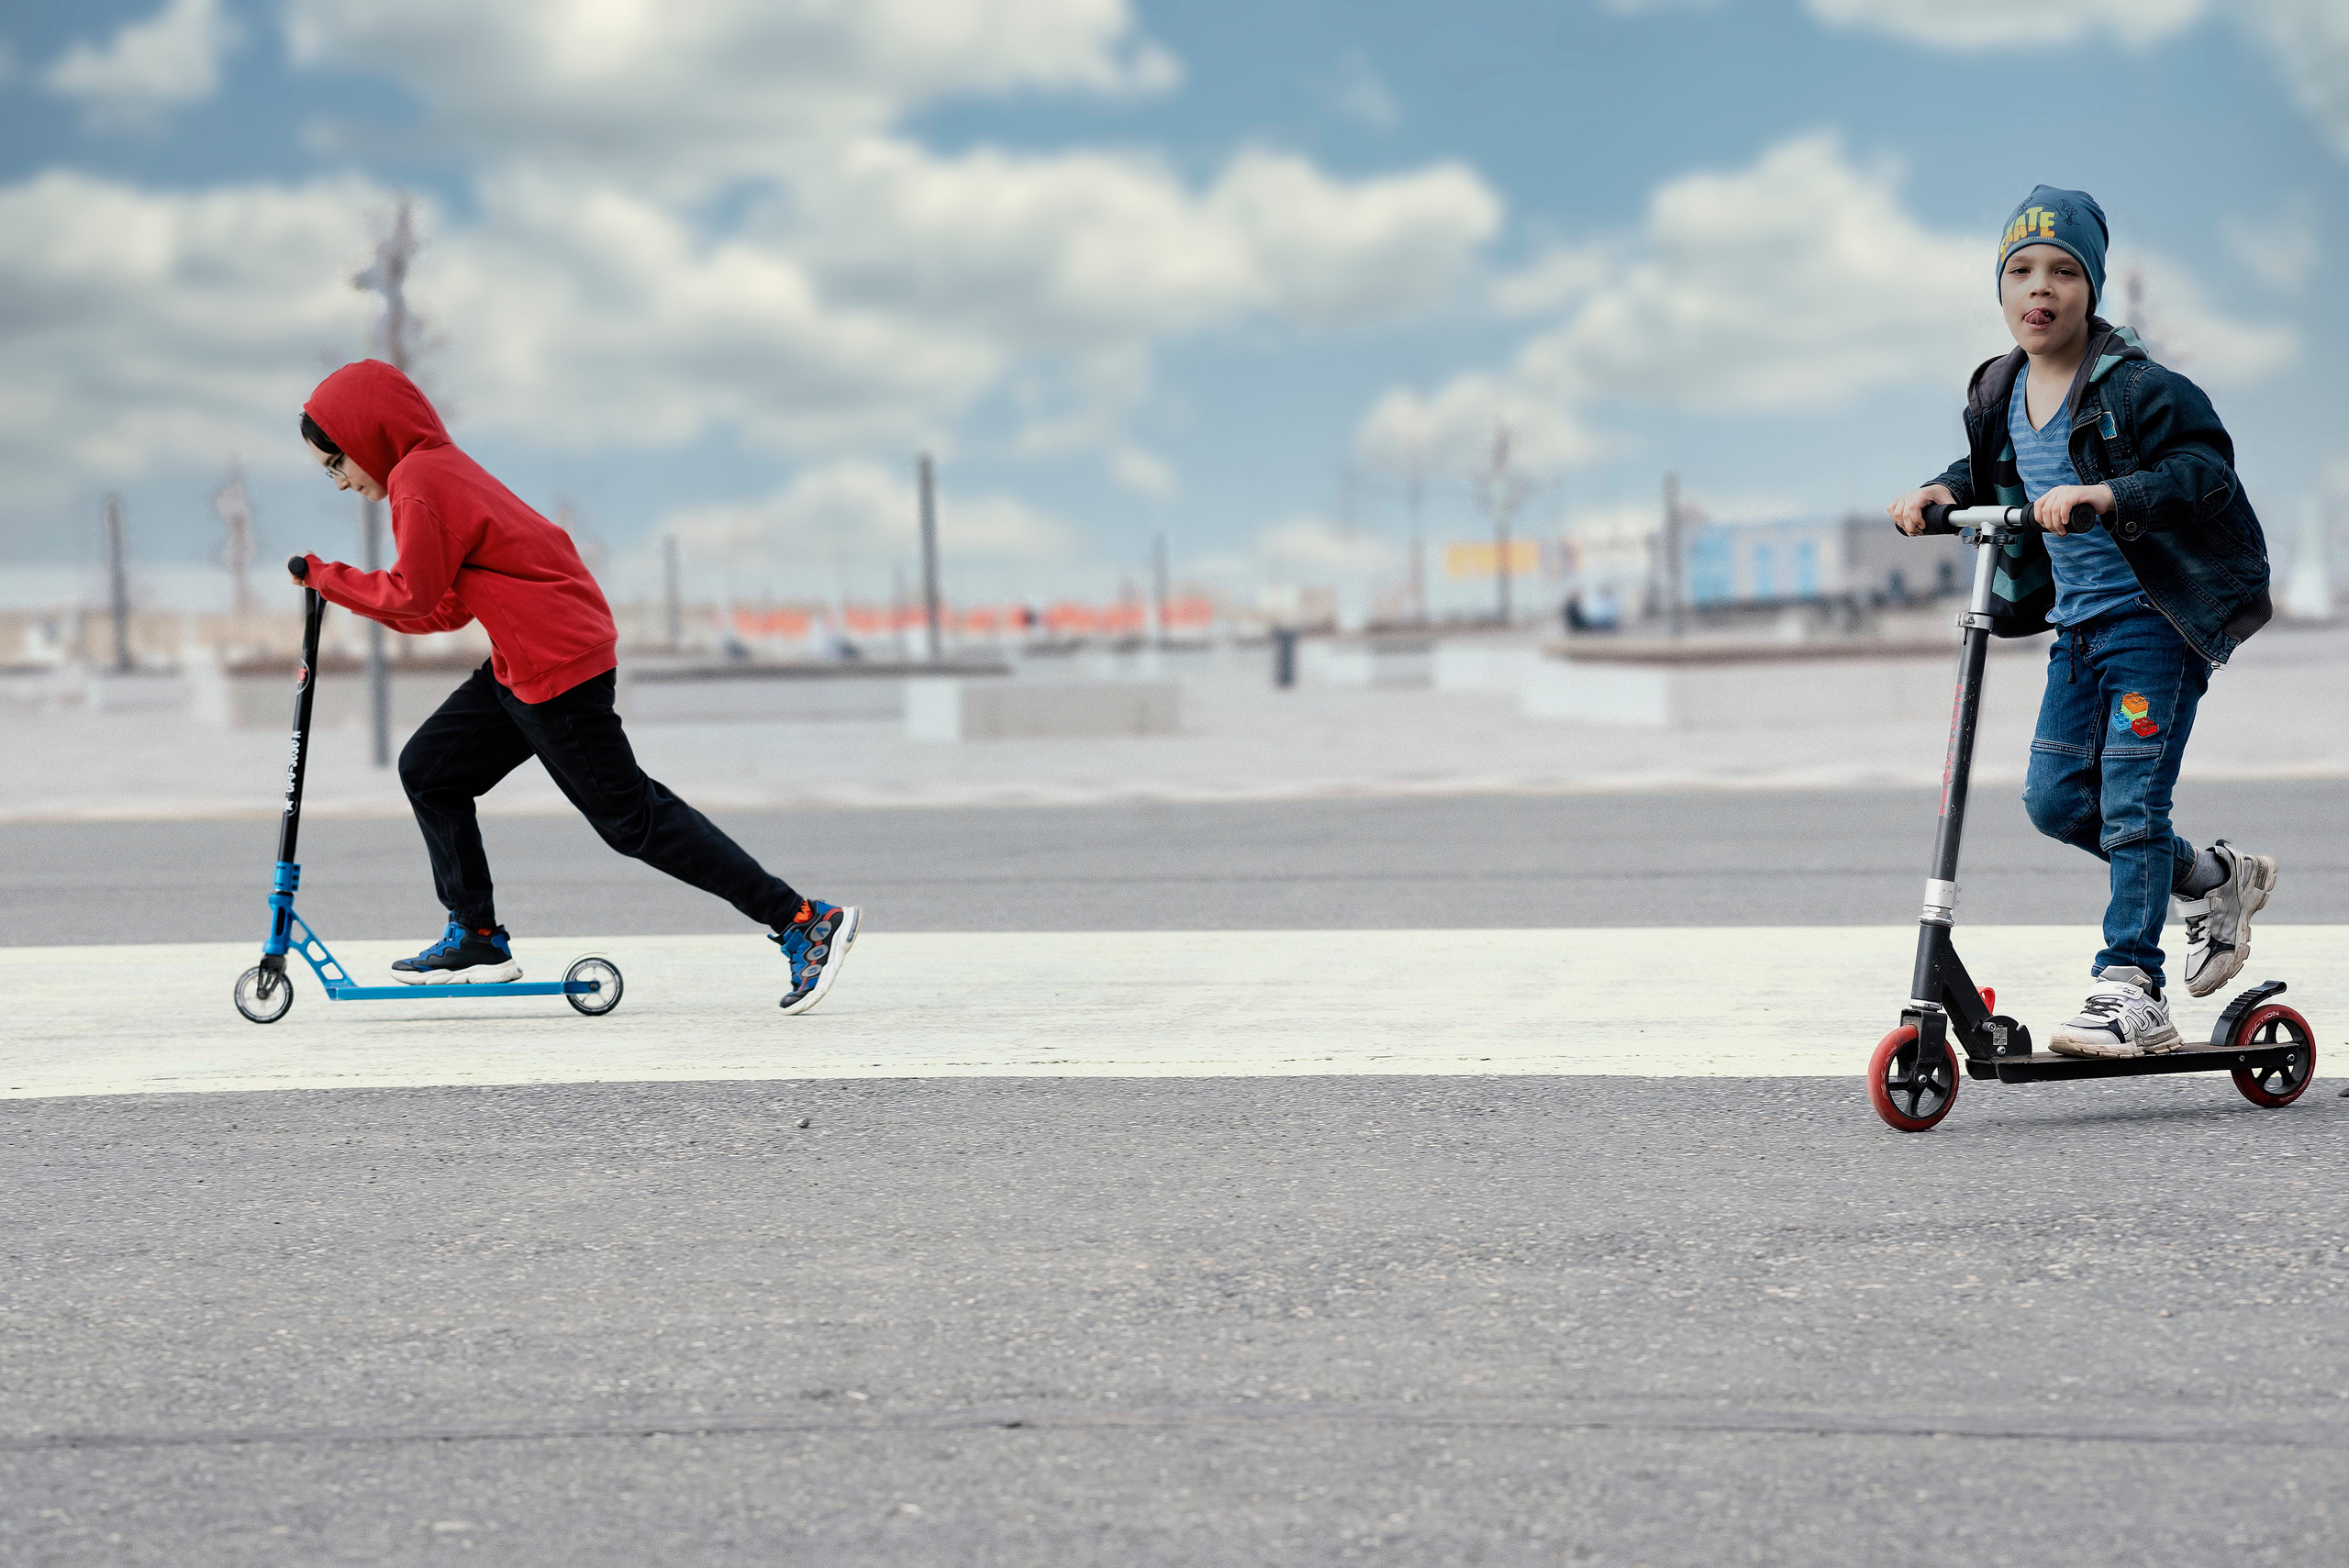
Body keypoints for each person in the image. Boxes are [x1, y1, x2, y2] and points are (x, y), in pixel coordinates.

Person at [292, 359, 859, 1015]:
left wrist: (327, 579)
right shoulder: (434, 471)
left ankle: (802, 919)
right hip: (524, 658)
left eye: (335, 463)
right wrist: (342, 588)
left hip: (555, 665)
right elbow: (444, 605)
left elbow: (416, 596)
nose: (338, 482)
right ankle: (476, 934)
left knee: (633, 820)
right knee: (430, 769)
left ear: (366, 434)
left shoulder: (419, 479)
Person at [1887, 185, 2275, 1060]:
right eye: (2021, 270)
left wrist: (2109, 494)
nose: (2041, 287)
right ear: (1999, 288)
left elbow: (2205, 469)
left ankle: (2133, 986)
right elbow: (1991, 468)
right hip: (2080, 631)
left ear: (2092, 288)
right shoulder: (1998, 389)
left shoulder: (2137, 389)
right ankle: (2215, 880)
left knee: (2134, 801)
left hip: (2155, 620)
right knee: (2058, 800)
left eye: (2064, 271)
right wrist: (1944, 491)